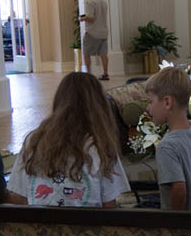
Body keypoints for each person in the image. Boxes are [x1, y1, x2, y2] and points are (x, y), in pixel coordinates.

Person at [7, 72, 129, 207]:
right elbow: (109, 205)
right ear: (100, 106)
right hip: (86, 227)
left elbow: (20, 198)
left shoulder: (33, 140)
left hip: (40, 225)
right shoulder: (100, 146)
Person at [144, 67, 191, 211]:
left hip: (185, 227)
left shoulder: (166, 147)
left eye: (150, 102)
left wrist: (173, 225)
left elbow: (179, 190)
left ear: (167, 102)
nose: (148, 108)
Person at [80, 0, 110, 80]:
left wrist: (82, 18)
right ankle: (105, 74)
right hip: (103, 32)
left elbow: (91, 18)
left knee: (86, 53)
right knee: (103, 54)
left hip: (93, 32)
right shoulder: (103, 2)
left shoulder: (90, 2)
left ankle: (88, 74)